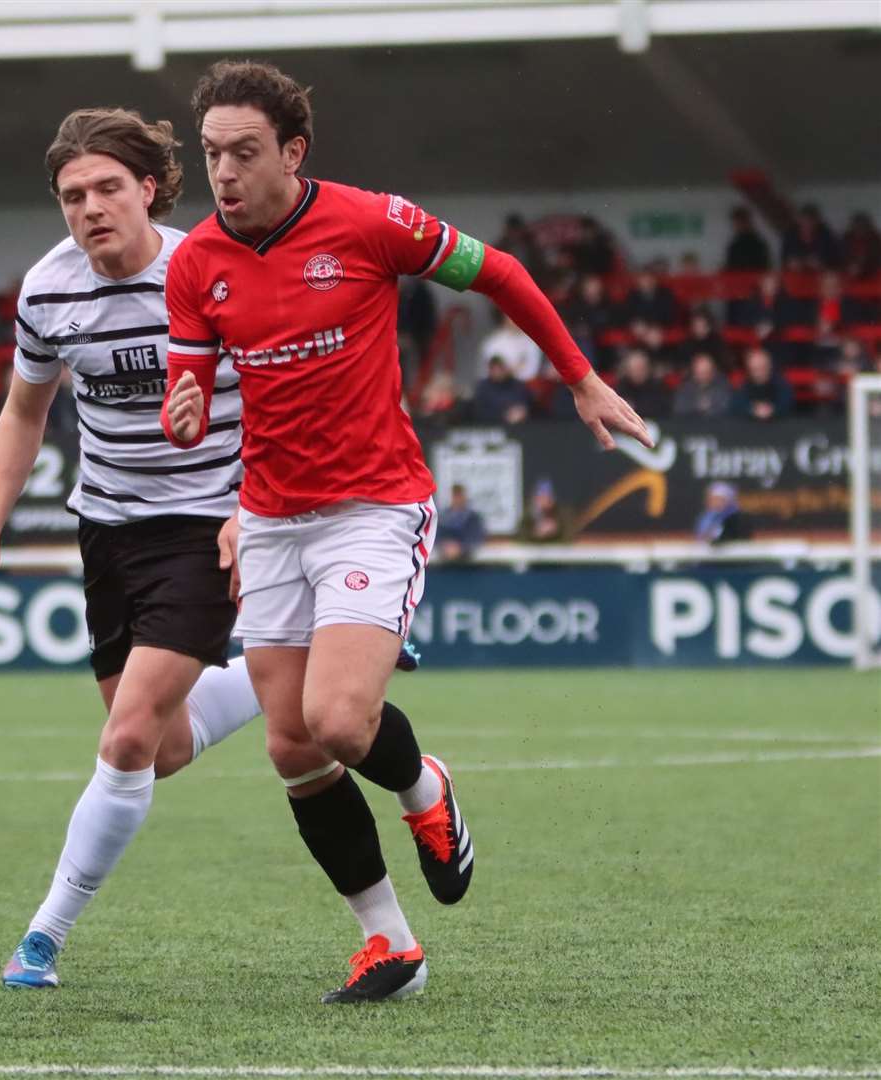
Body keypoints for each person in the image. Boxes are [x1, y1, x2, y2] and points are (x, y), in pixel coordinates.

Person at [162, 60, 650, 1004]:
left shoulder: (371, 222)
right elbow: (189, 396)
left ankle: (424, 786)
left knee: (340, 723)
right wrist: (181, 412)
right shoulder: (195, 265)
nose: (223, 172)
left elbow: (499, 272)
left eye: (244, 152)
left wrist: (580, 375)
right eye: (212, 153)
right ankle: (389, 944)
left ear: (293, 151)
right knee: (291, 747)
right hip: (267, 517)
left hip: (374, 506)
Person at [0, 107, 272, 993]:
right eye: (70, 196)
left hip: (209, 526)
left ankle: (42, 938)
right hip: (109, 529)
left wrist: (254, 506)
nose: (89, 208)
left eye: (105, 188)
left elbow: (282, 395)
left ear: (150, 189)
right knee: (162, 748)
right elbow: (25, 413)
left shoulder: (211, 271)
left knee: (126, 739)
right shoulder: (47, 291)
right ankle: (301, 658)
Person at [729, 347, 794, 421]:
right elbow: (736, 406)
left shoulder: (781, 383)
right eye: (755, 369)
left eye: (763, 367)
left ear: (770, 365)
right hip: (749, 427)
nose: (759, 372)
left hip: (777, 425)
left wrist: (773, 410)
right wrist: (752, 410)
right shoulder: (742, 385)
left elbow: (787, 404)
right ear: (748, 368)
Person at [477, 312, 543, 382]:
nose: (514, 321)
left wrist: (510, 371)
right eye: (511, 317)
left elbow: (531, 371)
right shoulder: (493, 341)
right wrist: (510, 369)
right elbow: (487, 369)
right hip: (495, 386)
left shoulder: (531, 342)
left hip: (522, 387)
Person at [472, 355, 533, 425]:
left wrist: (521, 412)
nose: (498, 372)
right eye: (494, 369)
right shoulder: (483, 387)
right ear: (489, 370)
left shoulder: (517, 385)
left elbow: (526, 403)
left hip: (520, 426)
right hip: (492, 427)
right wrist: (504, 416)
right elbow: (479, 412)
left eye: (500, 368)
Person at [673, 353, 732, 418]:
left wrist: (709, 408)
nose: (703, 375)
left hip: (717, 425)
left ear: (713, 370)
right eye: (699, 371)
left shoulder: (722, 385)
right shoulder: (685, 387)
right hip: (691, 425)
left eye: (706, 371)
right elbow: (678, 409)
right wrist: (697, 405)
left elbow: (726, 408)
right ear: (693, 371)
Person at [435, 484, 485, 561]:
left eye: (459, 496)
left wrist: (461, 548)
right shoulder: (443, 517)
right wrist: (444, 547)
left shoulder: (473, 518)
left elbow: (477, 538)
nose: (457, 499)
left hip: (468, 563)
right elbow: (436, 536)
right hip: (444, 563)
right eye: (455, 496)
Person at [518, 478, 575, 543]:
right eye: (540, 497)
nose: (544, 501)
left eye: (547, 497)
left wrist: (556, 530)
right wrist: (536, 533)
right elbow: (520, 538)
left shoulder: (563, 514)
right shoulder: (528, 517)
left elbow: (570, 538)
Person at [724, 207, 771, 273]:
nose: (737, 226)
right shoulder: (733, 246)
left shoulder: (758, 244)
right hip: (738, 280)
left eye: (740, 222)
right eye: (736, 223)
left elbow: (764, 268)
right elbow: (730, 267)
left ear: (748, 222)